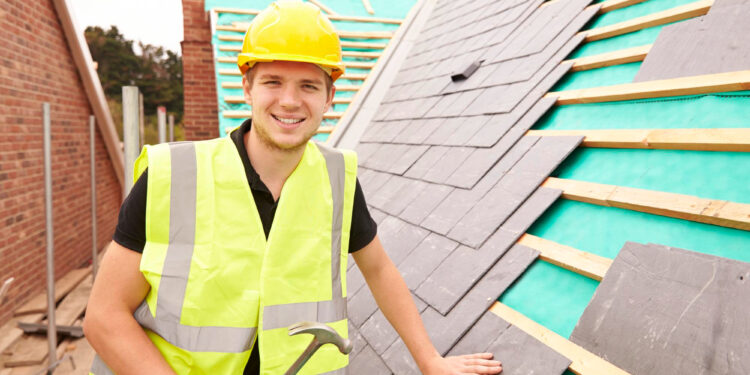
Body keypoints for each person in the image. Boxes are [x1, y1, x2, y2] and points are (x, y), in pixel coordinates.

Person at [83, 1, 503, 374]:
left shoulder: (337, 179)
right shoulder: (171, 176)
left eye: (308, 86)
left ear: (329, 97)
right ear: (247, 86)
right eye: (273, 81)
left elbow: (378, 269)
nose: (289, 101)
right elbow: (104, 316)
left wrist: (430, 361)